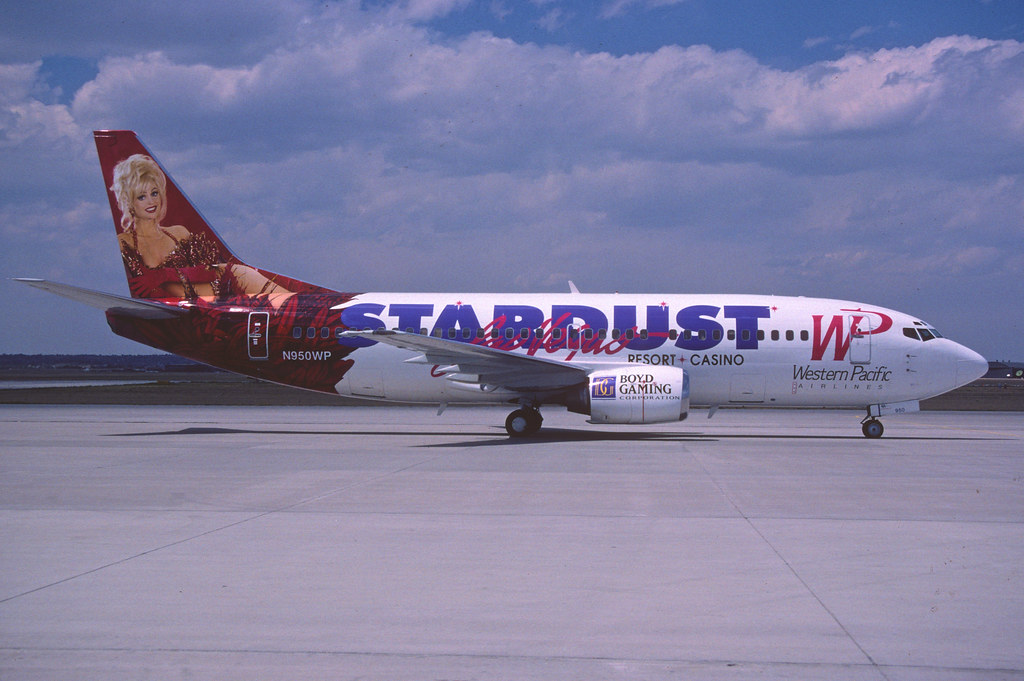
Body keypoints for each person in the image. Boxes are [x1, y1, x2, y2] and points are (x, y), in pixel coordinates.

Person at [110, 154, 290, 301]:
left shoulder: (178, 233)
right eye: (142, 196)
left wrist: (164, 275)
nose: (151, 201)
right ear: (129, 202)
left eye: (154, 193)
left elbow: (213, 271)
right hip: (198, 309)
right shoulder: (124, 242)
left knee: (290, 303)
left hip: (228, 286)